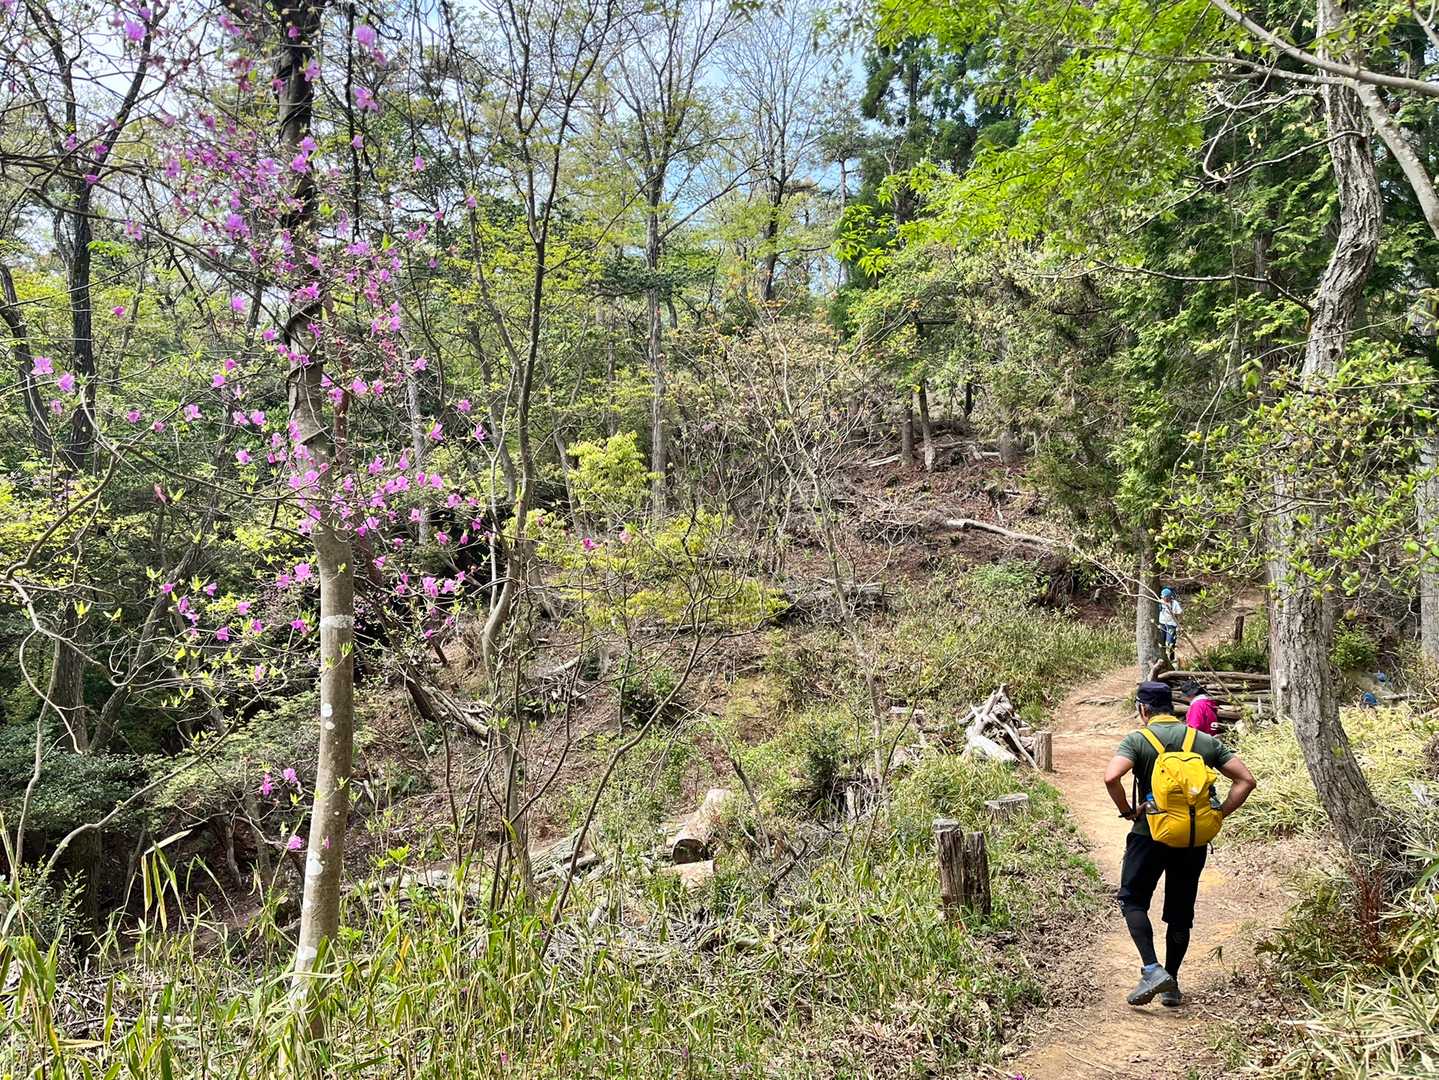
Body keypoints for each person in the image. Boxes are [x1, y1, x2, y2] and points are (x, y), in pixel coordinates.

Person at [1103, 681, 1257, 1007]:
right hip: (1192, 838)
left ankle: (1152, 969)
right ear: (1172, 708)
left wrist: (1128, 811)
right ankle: (1171, 983)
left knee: (1132, 900)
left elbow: (1111, 777)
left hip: (1149, 834)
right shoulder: (1202, 741)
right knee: (1180, 911)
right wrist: (1218, 813)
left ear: (1143, 709)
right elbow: (1246, 780)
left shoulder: (1137, 740)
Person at [1157, 587, 1183, 661]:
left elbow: (1180, 612)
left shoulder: (1174, 603)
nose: (1163, 598)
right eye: (1162, 597)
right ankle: (1163, 657)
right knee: (1162, 641)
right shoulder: (1160, 602)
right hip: (1162, 623)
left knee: (1170, 641)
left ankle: (1172, 658)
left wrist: (1173, 613)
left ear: (1168, 597)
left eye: (1164, 597)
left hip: (1171, 624)